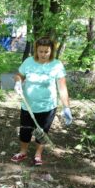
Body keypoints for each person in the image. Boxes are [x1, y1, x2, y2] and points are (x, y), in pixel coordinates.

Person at [11, 36, 72, 166]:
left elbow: (62, 86)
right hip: (28, 105)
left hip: (48, 106)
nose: (43, 54)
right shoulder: (28, 62)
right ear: (36, 50)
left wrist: (66, 107)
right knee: (25, 130)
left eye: (46, 51)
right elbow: (19, 75)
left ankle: (38, 155)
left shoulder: (56, 65)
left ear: (51, 51)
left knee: (42, 131)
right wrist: (18, 82)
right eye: (40, 51)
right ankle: (23, 151)